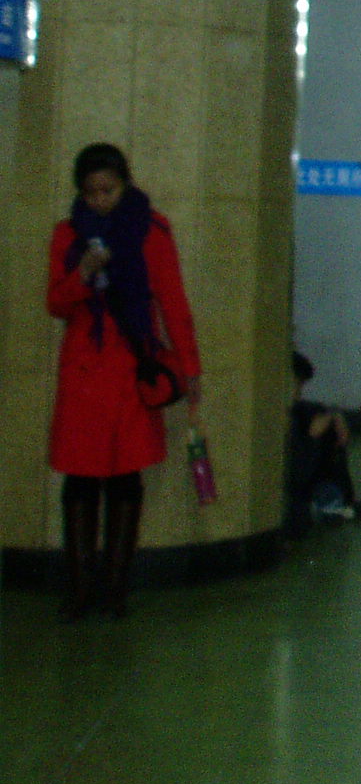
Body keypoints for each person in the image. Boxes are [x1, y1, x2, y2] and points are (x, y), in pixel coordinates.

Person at [45, 143, 201, 620]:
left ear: (125, 184)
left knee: (125, 477)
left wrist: (190, 368)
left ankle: (115, 588)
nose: (99, 200)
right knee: (79, 478)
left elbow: (173, 302)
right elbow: (56, 303)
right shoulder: (67, 234)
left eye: (108, 190)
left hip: (132, 369)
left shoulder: (152, 231)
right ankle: (78, 588)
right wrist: (83, 273)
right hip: (82, 372)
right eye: (90, 192)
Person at [287, 351, 361, 532]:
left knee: (329, 429)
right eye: (297, 386)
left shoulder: (298, 410)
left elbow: (321, 410)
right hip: (293, 493)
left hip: (312, 485)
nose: (298, 394)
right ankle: (322, 508)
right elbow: (296, 475)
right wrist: (311, 439)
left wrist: (335, 416)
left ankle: (340, 501)